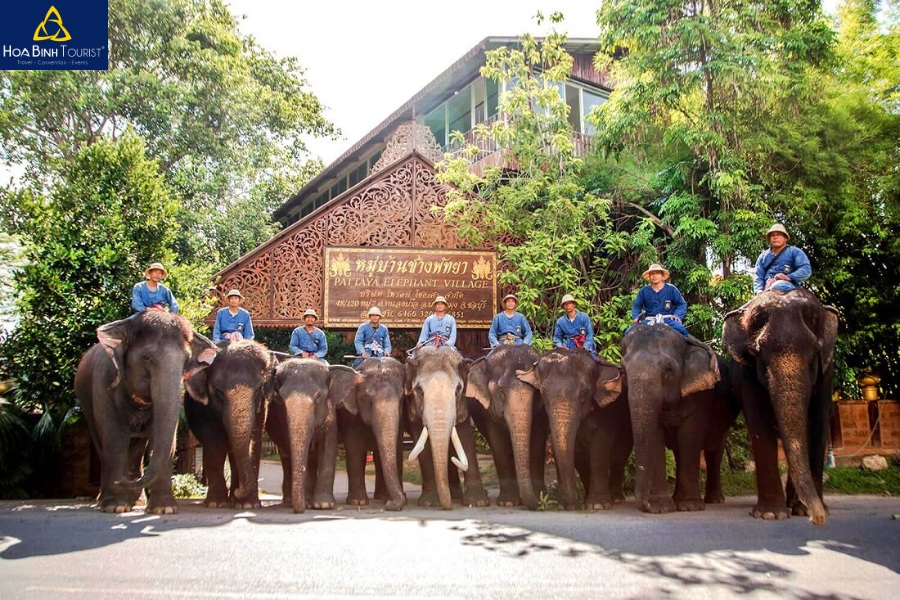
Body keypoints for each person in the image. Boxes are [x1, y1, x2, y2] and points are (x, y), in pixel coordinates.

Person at [630, 263, 690, 337]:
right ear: (649, 276)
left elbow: (681, 304)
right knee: (629, 332)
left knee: (682, 331)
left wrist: (677, 315)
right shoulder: (643, 291)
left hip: (668, 319)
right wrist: (636, 317)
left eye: (657, 273)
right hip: (649, 320)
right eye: (652, 274)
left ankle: (693, 345)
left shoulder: (671, 289)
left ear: (662, 276)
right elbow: (636, 306)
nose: (654, 276)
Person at [753, 223, 811, 294]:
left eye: (778, 235)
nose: (775, 237)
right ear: (769, 239)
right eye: (772, 235)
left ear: (785, 238)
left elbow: (805, 269)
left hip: (787, 285)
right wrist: (758, 290)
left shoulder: (795, 252)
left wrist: (789, 277)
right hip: (766, 288)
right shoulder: (763, 256)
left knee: (778, 286)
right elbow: (758, 275)